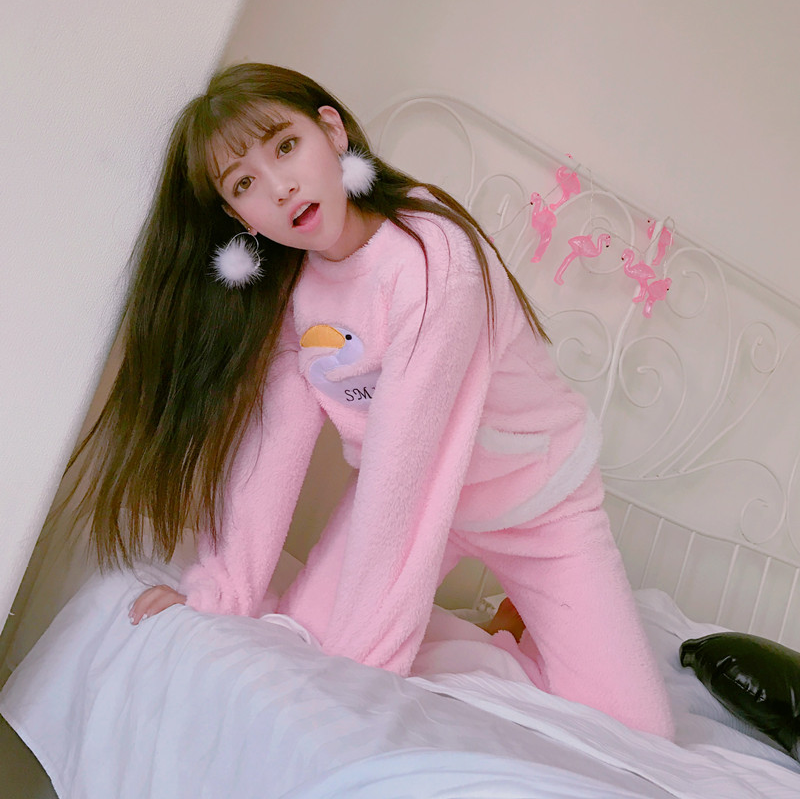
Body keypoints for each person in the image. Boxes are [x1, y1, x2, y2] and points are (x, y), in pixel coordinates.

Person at [75, 62, 673, 739]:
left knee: (641, 731)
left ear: (332, 132)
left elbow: (407, 467)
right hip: (416, 499)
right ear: (238, 217)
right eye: (244, 184)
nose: (280, 187)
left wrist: (364, 666)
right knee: (298, 642)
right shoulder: (295, 296)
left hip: (535, 500)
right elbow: (272, 453)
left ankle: (524, 618)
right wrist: (220, 594)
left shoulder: (433, 257)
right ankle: (506, 637)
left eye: (285, 146)